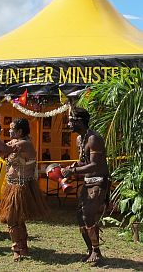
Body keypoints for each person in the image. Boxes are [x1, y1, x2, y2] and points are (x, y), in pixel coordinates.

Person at [0, 118, 49, 262]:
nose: (9, 131)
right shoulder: (15, 142)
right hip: (12, 185)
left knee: (12, 218)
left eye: (11, 129)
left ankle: (17, 249)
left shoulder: (25, 144)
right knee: (17, 218)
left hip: (22, 187)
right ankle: (23, 248)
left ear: (20, 131)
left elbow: (4, 149)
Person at [61, 107, 109, 264]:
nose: (68, 124)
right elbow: (85, 161)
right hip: (87, 182)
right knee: (80, 216)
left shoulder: (93, 139)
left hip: (98, 181)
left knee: (88, 213)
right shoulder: (79, 139)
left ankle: (96, 251)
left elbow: (94, 165)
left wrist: (73, 171)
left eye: (70, 121)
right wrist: (72, 167)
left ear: (79, 121)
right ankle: (91, 250)